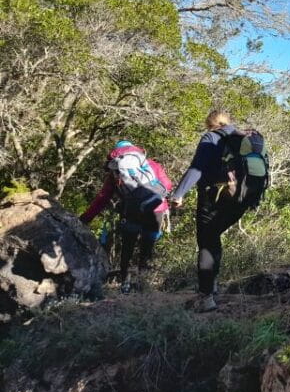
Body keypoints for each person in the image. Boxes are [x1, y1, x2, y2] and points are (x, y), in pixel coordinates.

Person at [170, 110, 245, 312]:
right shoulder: (241, 136)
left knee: (206, 241)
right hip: (242, 197)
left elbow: (197, 168)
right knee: (214, 237)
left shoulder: (210, 137)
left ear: (210, 123)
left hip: (215, 195)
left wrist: (179, 193)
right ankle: (212, 286)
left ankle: (206, 297)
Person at [80, 140, 172, 294]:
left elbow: (102, 198)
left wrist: (86, 218)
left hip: (132, 211)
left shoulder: (116, 172)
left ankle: (125, 284)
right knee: (146, 248)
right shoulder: (151, 164)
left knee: (127, 248)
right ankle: (143, 285)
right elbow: (167, 185)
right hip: (156, 210)